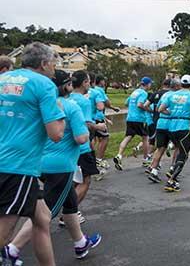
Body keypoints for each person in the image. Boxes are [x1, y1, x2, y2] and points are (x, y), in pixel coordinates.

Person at [5, 70, 101, 263]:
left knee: (69, 202)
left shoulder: (42, 104)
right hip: (62, 166)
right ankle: (13, 248)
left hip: (39, 163)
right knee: (46, 214)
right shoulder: (71, 106)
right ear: (66, 86)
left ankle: (80, 243)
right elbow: (81, 138)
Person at [0, 42, 65, 266]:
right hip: (19, 164)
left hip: (6, 158)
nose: (55, 69)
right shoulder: (44, 85)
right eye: (54, 63)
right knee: (4, 229)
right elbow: (56, 134)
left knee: (42, 219)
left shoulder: (2, 79)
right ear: (44, 63)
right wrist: (61, 115)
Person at [69, 71, 106, 224]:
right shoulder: (83, 101)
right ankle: (70, 212)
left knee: (73, 181)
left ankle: (68, 211)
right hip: (81, 147)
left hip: (68, 146)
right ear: (84, 82)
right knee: (85, 180)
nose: (90, 84)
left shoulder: (66, 99)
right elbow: (86, 124)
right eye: (89, 81)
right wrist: (99, 126)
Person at [162, 75, 190, 192]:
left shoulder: (172, 95)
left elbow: (161, 109)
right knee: (183, 154)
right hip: (183, 128)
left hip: (171, 127)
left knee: (179, 149)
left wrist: (173, 114)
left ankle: (172, 170)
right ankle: (171, 181)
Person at [114, 77, 153, 170]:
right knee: (145, 138)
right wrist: (148, 109)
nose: (150, 86)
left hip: (130, 118)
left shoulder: (134, 92)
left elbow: (126, 103)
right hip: (139, 119)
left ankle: (119, 155)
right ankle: (146, 159)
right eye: (150, 84)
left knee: (128, 136)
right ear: (147, 84)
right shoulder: (143, 93)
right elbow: (139, 105)